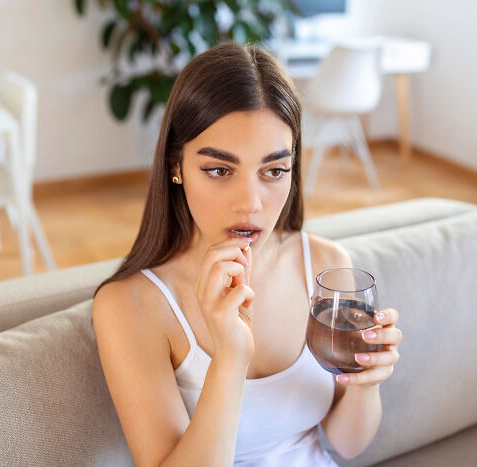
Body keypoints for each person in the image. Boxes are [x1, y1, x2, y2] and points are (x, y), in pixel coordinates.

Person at [91, 42, 403, 466]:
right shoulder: (130, 306)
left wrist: (367, 381)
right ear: (175, 166)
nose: (251, 203)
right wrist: (230, 356)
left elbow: (345, 446)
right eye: (220, 170)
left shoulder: (329, 266)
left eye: (274, 171)